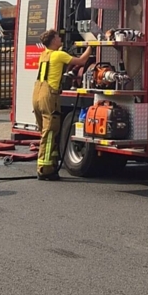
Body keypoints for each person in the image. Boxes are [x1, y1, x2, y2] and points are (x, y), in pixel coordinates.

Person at [34, 29, 92, 181]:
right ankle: (45, 168)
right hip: (49, 95)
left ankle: (51, 164)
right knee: (51, 132)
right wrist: (90, 46)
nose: (61, 39)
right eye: (58, 37)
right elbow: (81, 61)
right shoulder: (59, 55)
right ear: (53, 40)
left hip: (37, 93)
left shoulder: (45, 54)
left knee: (45, 132)